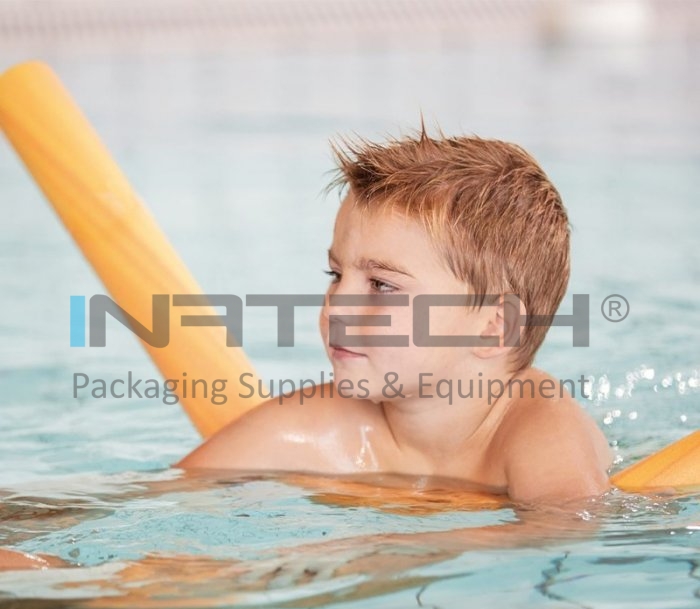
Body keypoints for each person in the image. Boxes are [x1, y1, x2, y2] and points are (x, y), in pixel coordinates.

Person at [175, 122, 612, 504]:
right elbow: (172, 498)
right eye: (335, 274)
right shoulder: (323, 424)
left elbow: (561, 530)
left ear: (493, 328)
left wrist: (383, 557)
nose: (336, 306)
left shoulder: (539, 428)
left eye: (382, 285)